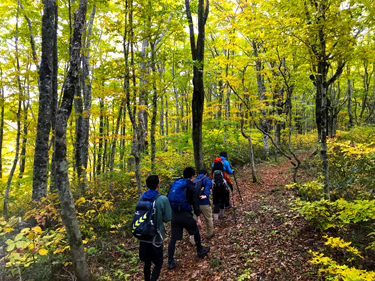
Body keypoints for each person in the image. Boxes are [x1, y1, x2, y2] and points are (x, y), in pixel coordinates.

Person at [167, 167, 210, 270]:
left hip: (174, 214)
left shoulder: (176, 184)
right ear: (192, 176)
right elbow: (195, 202)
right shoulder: (190, 186)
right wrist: (198, 217)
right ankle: (200, 250)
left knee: (173, 239)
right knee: (195, 231)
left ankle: (170, 261)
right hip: (185, 214)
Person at [138, 175, 172, 281]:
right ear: (158, 185)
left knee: (147, 262)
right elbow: (167, 218)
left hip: (142, 235)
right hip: (155, 236)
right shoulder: (162, 199)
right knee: (158, 263)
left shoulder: (142, 197)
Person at [189, 170, 215, 245]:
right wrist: (206, 195)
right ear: (206, 174)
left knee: (194, 221)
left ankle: (193, 240)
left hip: (195, 203)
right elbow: (208, 187)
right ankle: (209, 234)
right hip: (204, 202)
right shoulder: (207, 179)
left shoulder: (194, 179)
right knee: (208, 218)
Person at [210, 161, 233, 226]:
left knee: (216, 204)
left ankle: (216, 220)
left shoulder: (212, 174)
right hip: (223, 190)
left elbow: (209, 181)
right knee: (222, 201)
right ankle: (222, 214)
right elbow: (228, 180)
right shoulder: (223, 173)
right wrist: (231, 186)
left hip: (215, 191)